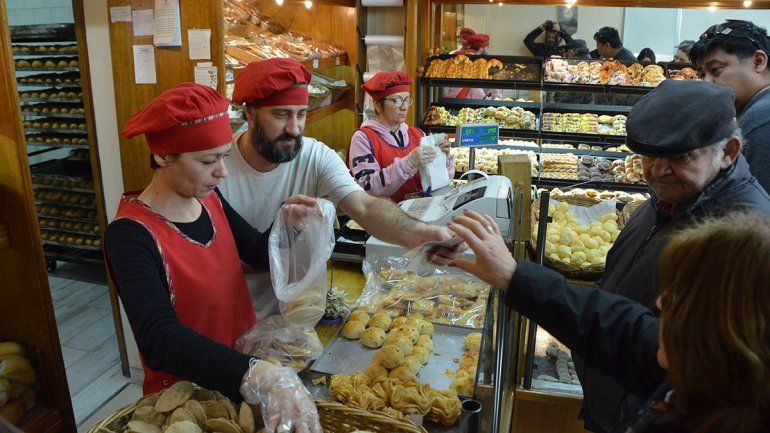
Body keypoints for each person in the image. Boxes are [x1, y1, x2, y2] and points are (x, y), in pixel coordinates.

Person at [453, 80, 770, 433]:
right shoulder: (668, 202)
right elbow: (622, 307)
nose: (656, 171)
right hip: (617, 401)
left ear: (729, 151)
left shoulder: (740, 238)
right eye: (648, 156)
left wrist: (519, 279)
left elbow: (661, 349)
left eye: (680, 157)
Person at [104, 83, 321, 433]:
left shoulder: (209, 200)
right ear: (162, 156)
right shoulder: (131, 235)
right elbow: (159, 339)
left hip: (241, 383)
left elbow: (257, 252)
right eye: (209, 160)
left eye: (223, 156)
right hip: (186, 405)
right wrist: (254, 372)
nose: (222, 172)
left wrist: (289, 224)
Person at [445, 209, 770, 433]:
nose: (659, 303)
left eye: (682, 296)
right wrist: (515, 276)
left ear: (731, 329)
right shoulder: (703, 376)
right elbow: (617, 327)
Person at [220, 58, 456, 321]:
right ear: (249, 112)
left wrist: (420, 233)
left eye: (301, 114)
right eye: (281, 114)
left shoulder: (315, 156)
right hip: (229, 317)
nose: (294, 128)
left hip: (298, 317)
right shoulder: (215, 166)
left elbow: (365, 205)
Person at [690, 19, 770, 193]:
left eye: (716, 69)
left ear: (758, 61)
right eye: (702, 74)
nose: (707, 82)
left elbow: (758, 212)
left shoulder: (763, 119)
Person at [348, 71, 453, 202]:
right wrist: (408, 164)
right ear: (377, 105)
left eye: (407, 100)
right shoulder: (363, 138)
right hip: (385, 217)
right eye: (396, 101)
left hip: (421, 210)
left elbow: (441, 179)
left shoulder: (418, 134)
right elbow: (368, 187)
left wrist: (444, 158)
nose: (404, 107)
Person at [443, 33, 503, 100]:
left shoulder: (459, 56)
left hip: (451, 98)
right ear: (481, 48)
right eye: (487, 47)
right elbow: (494, 85)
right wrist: (497, 99)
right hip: (475, 99)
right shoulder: (484, 62)